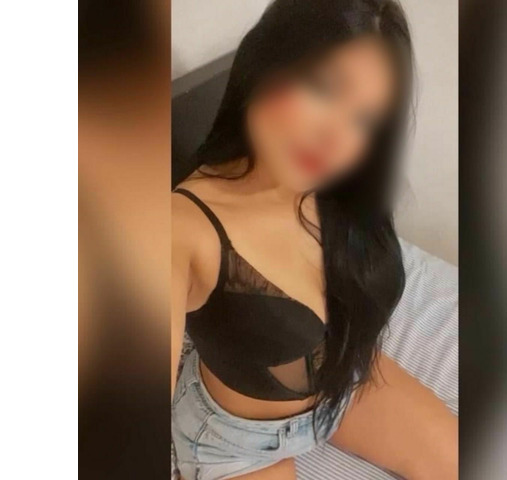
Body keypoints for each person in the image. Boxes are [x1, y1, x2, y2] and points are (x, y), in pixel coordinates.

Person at [171, 1, 457, 478]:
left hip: (342, 384)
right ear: (266, 61)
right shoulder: (180, 229)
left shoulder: (334, 189)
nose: (335, 137)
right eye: (323, 88)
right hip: (239, 441)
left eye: (364, 120)